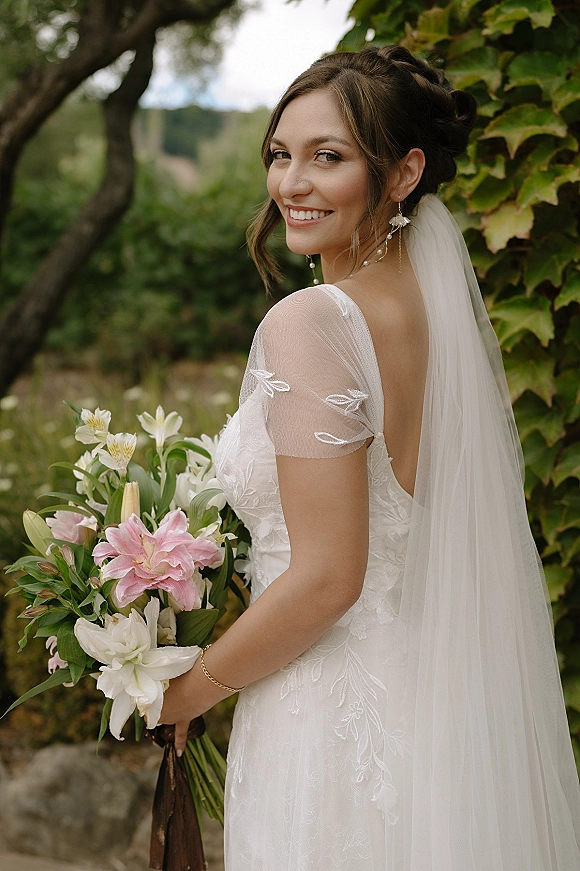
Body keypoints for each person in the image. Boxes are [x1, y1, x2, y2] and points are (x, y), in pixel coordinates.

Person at [160, 45, 580, 869]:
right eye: (281, 155)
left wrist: (183, 688)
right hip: (433, 712)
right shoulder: (428, 322)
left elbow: (326, 578)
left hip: (327, 726)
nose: (291, 184)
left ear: (401, 173)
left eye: (329, 157)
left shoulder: (312, 321)